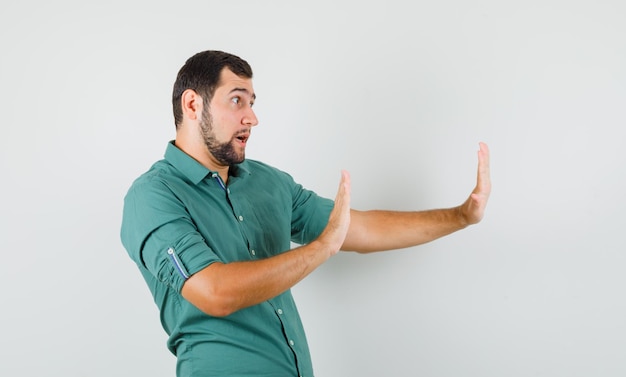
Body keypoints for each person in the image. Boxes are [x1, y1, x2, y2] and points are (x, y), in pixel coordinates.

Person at [121, 50, 491, 377]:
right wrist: (320, 249)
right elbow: (215, 292)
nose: (252, 117)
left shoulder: (267, 181)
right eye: (237, 101)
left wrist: (460, 216)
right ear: (192, 105)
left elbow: (356, 229)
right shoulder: (153, 195)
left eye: (252, 102)